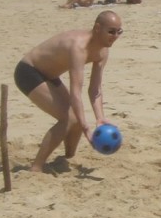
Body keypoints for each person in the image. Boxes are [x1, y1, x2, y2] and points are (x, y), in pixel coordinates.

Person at [14, 11, 123, 173]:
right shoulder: (78, 46)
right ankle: (36, 167)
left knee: (77, 118)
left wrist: (100, 118)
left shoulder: (103, 51)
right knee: (70, 118)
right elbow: (76, 92)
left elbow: (95, 89)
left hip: (50, 76)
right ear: (97, 28)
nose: (115, 36)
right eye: (111, 31)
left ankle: (68, 157)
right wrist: (86, 128)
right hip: (28, 72)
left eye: (119, 32)